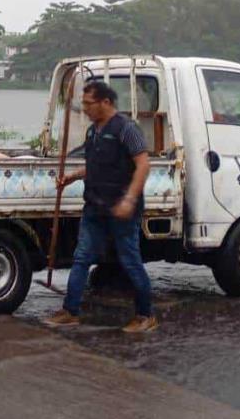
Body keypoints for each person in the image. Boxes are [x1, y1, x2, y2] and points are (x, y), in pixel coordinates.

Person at [44, 80, 158, 333]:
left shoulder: (126, 129)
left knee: (130, 261)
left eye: (88, 103)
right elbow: (96, 166)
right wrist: (71, 177)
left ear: (106, 102)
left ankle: (145, 315)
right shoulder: (93, 132)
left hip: (122, 209)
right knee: (82, 257)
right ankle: (70, 311)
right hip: (94, 207)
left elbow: (143, 165)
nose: (84, 109)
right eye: (83, 103)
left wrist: (129, 200)